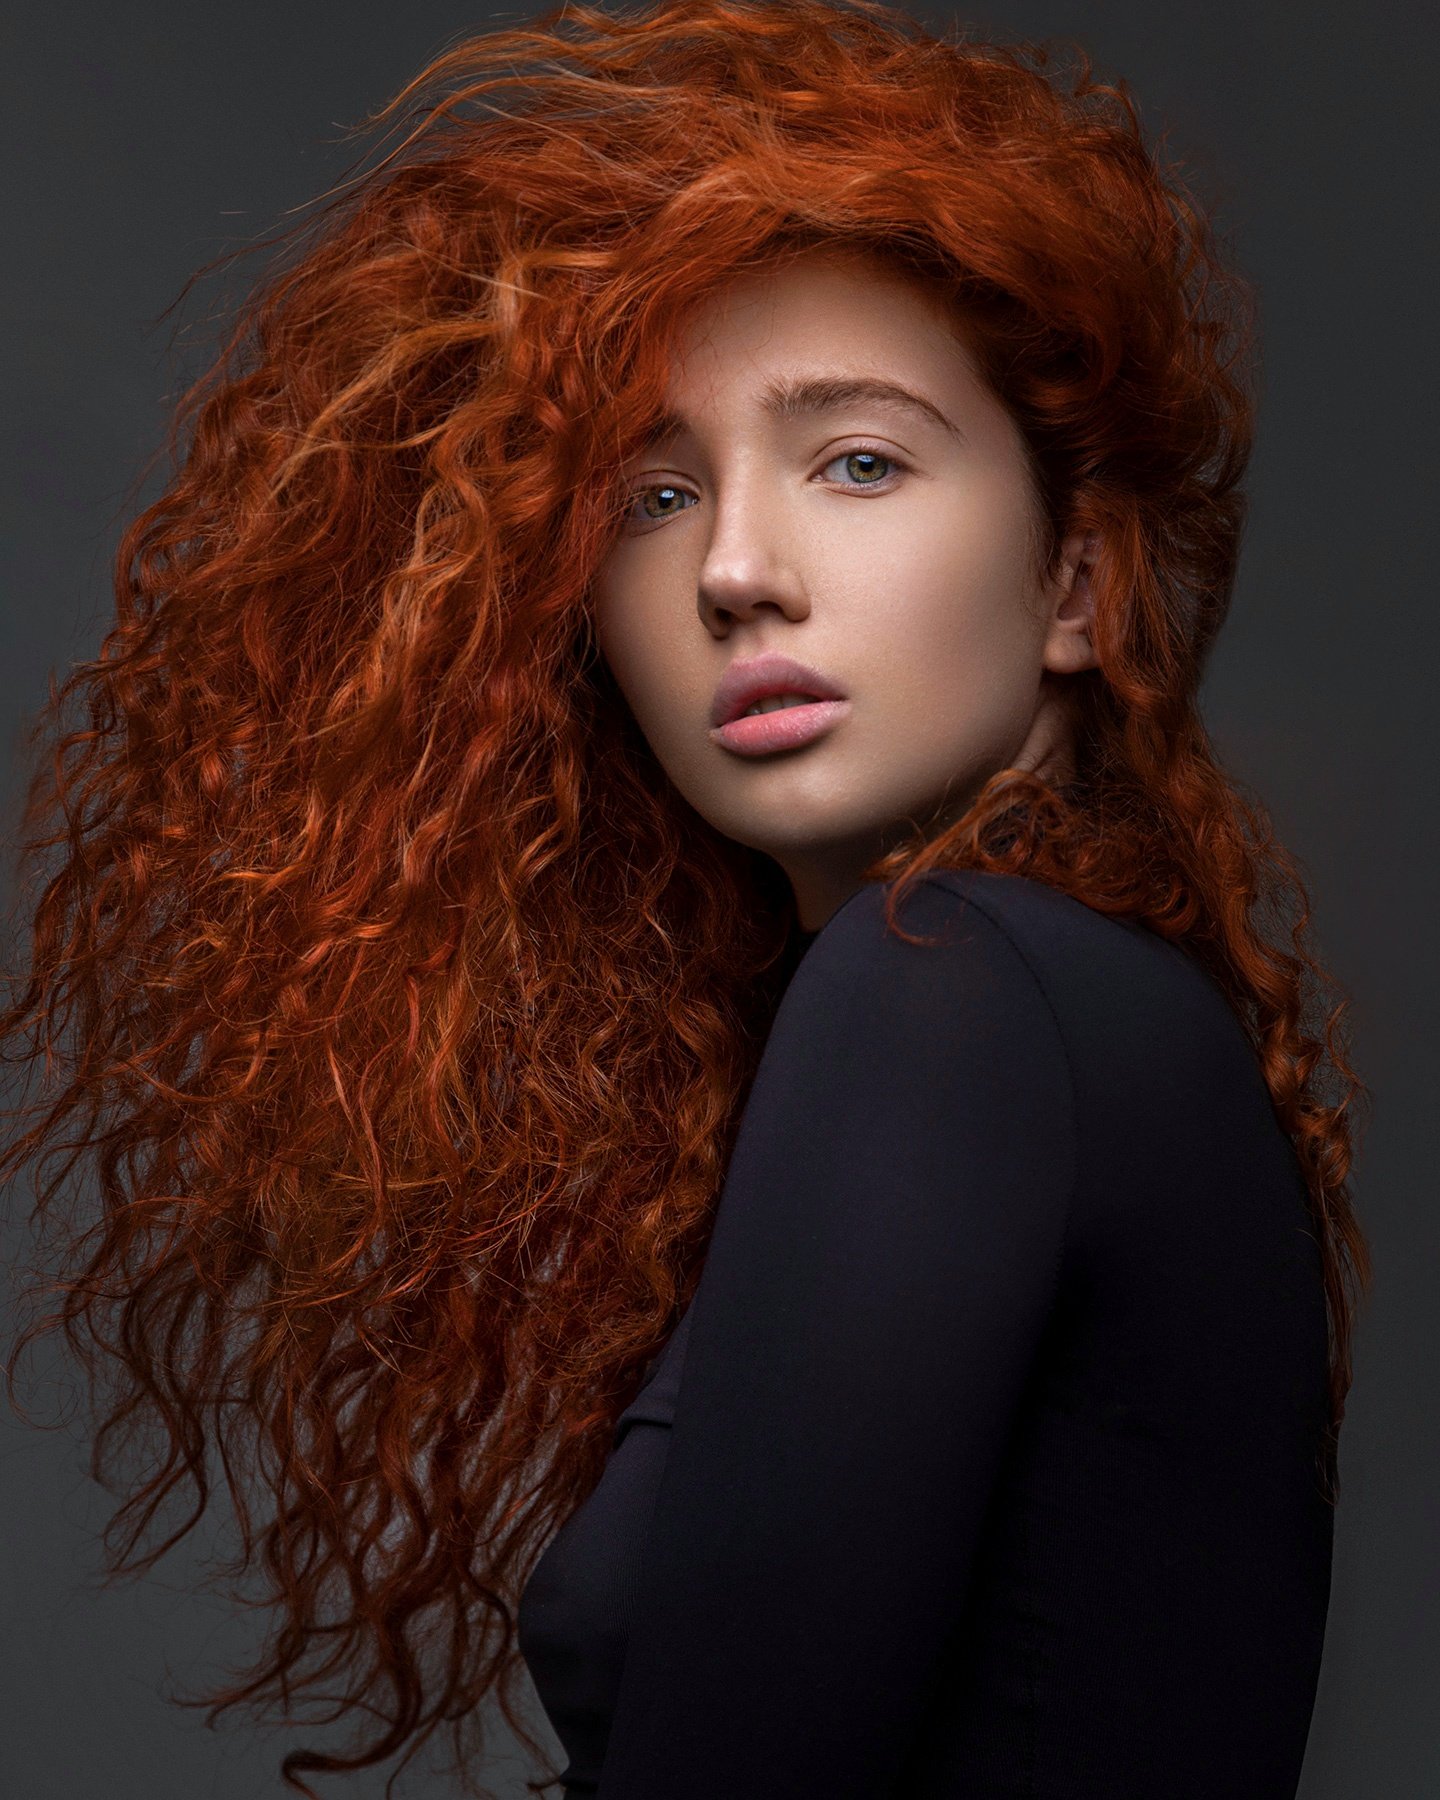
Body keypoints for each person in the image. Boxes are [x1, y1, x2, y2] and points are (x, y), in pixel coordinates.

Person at [0, 1, 1371, 1797]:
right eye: (654, 494)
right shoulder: (1063, 1009)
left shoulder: (951, 985)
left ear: (1077, 584)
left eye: (859, 460)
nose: (735, 569)